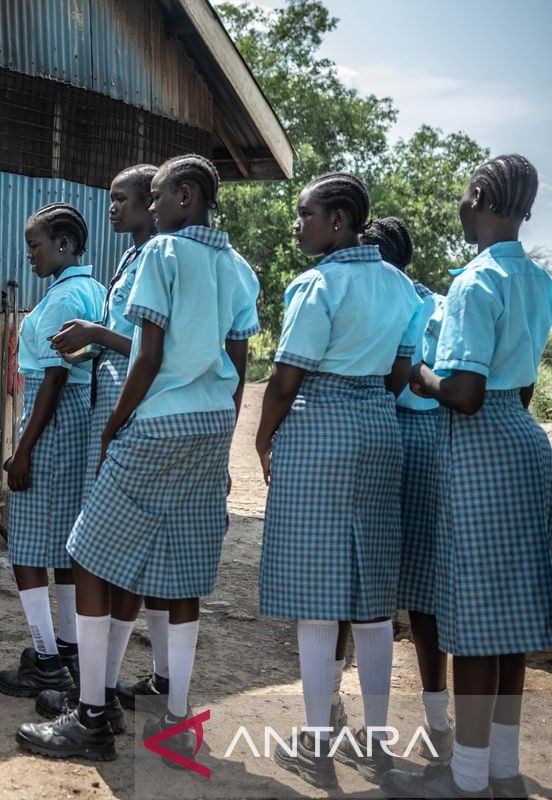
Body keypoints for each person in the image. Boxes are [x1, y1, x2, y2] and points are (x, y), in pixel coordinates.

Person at [17, 155, 259, 763]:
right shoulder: (238, 267)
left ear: (184, 195)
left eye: (154, 198)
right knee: (181, 569)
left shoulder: (161, 256)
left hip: (155, 420)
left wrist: (115, 426)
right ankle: (175, 713)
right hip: (208, 423)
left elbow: (149, 356)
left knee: (90, 558)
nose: (149, 209)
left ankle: (92, 716)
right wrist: (223, 433)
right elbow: (238, 364)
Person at [384, 155, 552, 800]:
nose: (461, 205)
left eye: (463, 195)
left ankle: (466, 778)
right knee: (508, 619)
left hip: (479, 447)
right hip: (523, 441)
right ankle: (503, 772)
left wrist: (419, 375)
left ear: (479, 195)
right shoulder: (536, 279)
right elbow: (524, 384)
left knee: (477, 621)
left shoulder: (474, 284)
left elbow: (465, 394)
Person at [256, 173, 421, 787]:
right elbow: (401, 370)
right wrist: (367, 400)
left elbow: (286, 378)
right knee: (373, 593)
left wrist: (263, 438)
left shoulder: (317, 283)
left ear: (340, 221)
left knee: (317, 594)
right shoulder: (403, 287)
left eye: (306, 214)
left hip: (319, 431)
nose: (297, 224)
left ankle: (316, 745)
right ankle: (375, 745)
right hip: (380, 430)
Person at [40, 164, 169, 719]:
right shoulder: (129, 258)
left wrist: (94, 335)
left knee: (101, 551)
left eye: (122, 200)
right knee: (118, 555)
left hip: (133, 410)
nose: (112, 208)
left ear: (154, 202)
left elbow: (152, 346)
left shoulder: (163, 259)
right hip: (112, 400)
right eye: (110, 198)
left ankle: (95, 698)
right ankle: (104, 684)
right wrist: (89, 346)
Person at [0, 203, 105, 698]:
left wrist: (23, 451)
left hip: (53, 422)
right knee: (64, 543)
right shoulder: (93, 289)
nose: (29, 255)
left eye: (35, 245)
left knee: (26, 548)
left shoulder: (62, 300)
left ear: (63, 244)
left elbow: (55, 378)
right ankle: (67, 647)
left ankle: (45, 658)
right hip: (78, 422)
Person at [362, 217, 456, 763]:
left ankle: (329, 709)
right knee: (421, 585)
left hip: (387, 425)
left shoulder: (376, 297)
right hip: (427, 438)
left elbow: (401, 372)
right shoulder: (436, 302)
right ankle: (437, 716)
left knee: (362, 576)